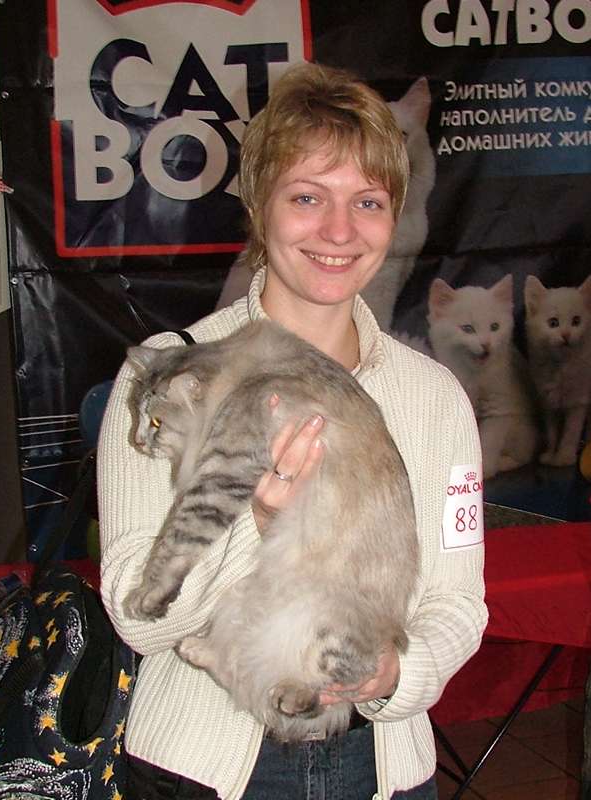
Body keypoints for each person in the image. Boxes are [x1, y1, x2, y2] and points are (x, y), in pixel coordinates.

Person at [98, 61, 488, 800]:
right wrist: (255, 522)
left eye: (368, 201)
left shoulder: (434, 397)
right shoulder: (172, 377)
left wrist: (394, 673)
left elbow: (458, 604)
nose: (339, 231)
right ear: (258, 205)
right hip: (204, 764)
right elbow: (135, 617)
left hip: (380, 764)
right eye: (307, 197)